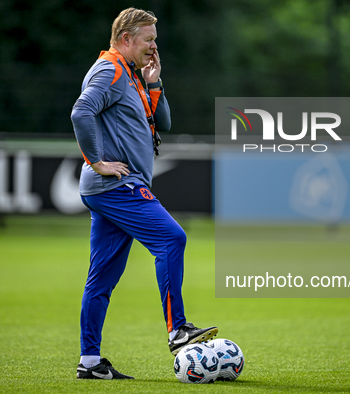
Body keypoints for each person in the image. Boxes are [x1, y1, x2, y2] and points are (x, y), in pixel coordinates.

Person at [70, 7, 218, 380]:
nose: (154, 46)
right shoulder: (111, 70)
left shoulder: (133, 75)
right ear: (125, 40)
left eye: (155, 39)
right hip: (116, 184)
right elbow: (81, 111)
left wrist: (155, 83)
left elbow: (163, 122)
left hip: (111, 187)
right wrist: (97, 160)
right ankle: (177, 328)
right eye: (148, 39)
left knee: (101, 279)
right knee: (172, 238)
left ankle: (90, 363)